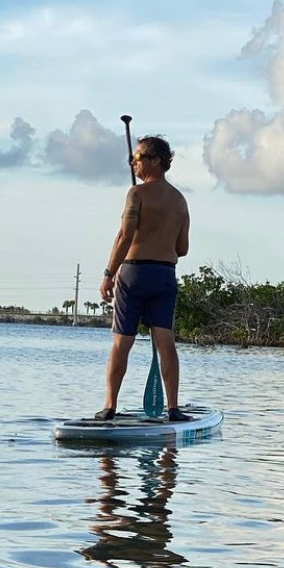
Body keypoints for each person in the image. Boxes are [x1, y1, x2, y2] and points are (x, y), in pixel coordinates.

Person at [96, 135, 190, 421]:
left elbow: (125, 237)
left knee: (122, 342)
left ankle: (110, 406)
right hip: (164, 275)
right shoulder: (180, 200)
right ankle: (172, 408)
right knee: (165, 340)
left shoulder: (135, 194)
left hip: (134, 274)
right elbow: (182, 249)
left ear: (156, 161)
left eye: (138, 158)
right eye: (132, 159)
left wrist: (108, 274)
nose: (133, 163)